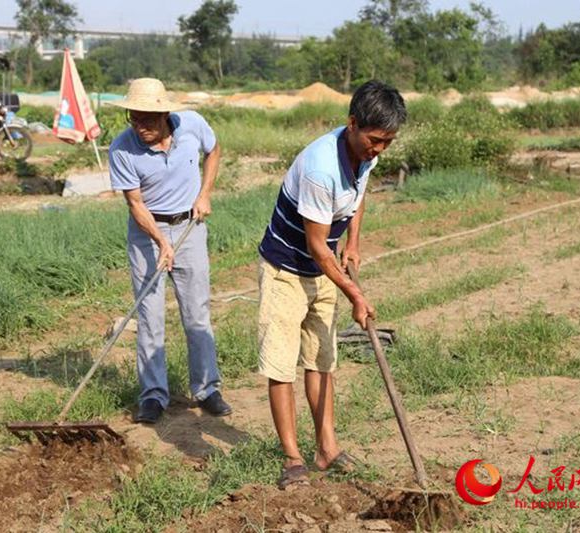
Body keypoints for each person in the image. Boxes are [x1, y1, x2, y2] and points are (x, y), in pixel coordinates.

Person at [257, 80, 406, 488]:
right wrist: (355, 293)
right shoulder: (322, 167)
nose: (379, 150)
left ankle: (327, 450)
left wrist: (354, 244)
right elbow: (318, 246)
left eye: (387, 143)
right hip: (286, 269)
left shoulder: (366, 154)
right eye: (374, 140)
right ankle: (292, 458)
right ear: (352, 123)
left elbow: (358, 198)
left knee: (322, 361)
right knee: (282, 365)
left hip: (324, 270)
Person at [108, 78, 232, 424]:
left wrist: (205, 193)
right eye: (134, 118)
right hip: (148, 232)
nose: (140, 127)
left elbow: (215, 150)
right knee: (149, 315)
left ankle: (207, 389)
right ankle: (153, 396)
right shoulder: (121, 149)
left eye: (147, 119)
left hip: (190, 228)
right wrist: (162, 242)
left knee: (196, 312)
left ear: (164, 114)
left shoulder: (192, 125)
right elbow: (136, 205)